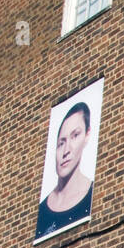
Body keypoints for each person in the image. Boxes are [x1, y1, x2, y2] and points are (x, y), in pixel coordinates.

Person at [35, 102, 94, 240]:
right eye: (61, 143)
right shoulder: (42, 210)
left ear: (87, 135)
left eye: (75, 136)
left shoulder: (92, 194)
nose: (66, 151)